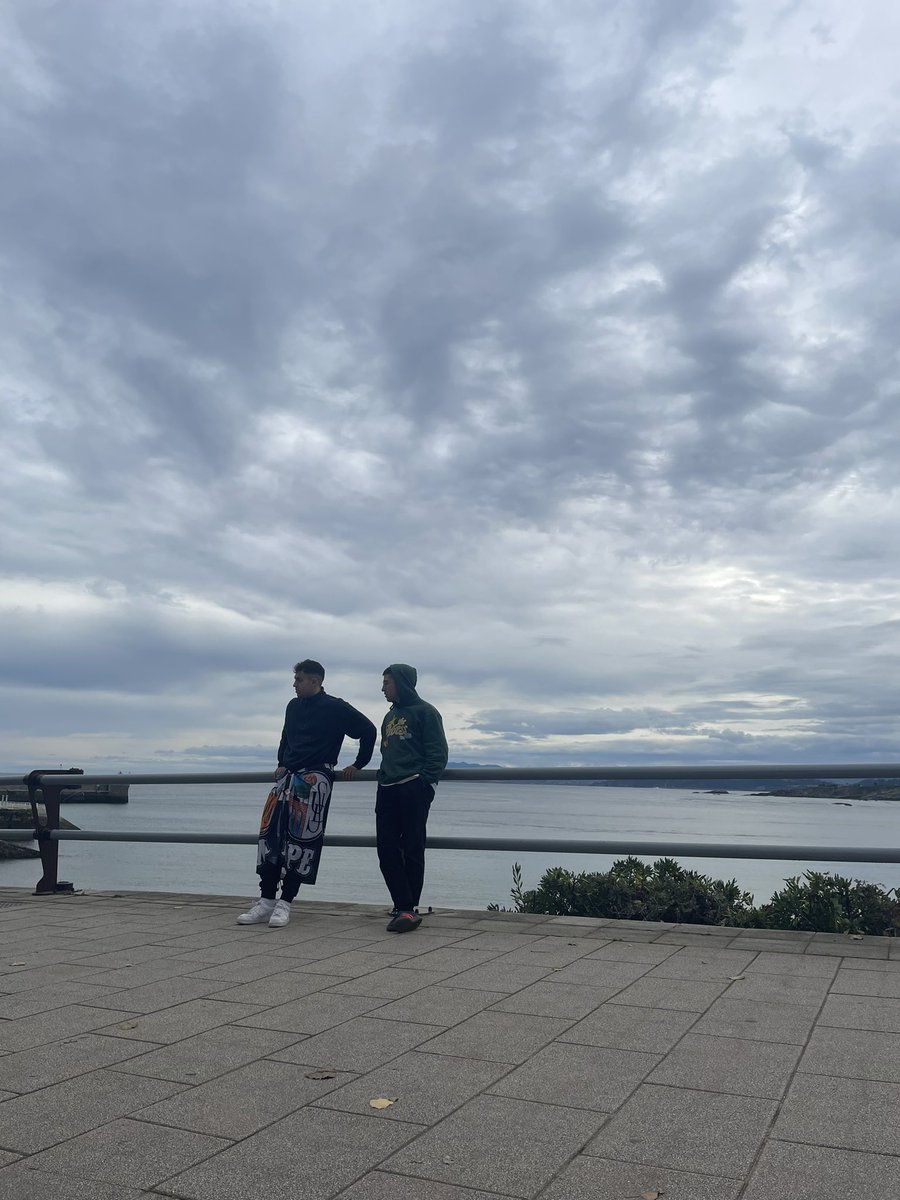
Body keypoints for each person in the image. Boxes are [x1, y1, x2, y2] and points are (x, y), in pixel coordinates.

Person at [238, 659, 376, 928]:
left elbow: (368, 731)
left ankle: (285, 902)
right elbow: (285, 737)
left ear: (315, 681)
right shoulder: (292, 706)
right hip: (287, 777)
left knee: (302, 841)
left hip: (314, 778)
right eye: (295, 679)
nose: (294, 684)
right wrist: (281, 761)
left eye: (299, 680)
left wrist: (358, 764)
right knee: (269, 836)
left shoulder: (336, 707)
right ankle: (266, 901)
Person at [376, 663, 448, 932]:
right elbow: (387, 751)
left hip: (413, 787)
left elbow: (438, 752)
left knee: (413, 847)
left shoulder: (426, 712)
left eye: (387, 682)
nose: (383, 688)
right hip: (387, 787)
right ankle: (402, 904)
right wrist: (383, 774)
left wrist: (424, 784)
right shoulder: (389, 717)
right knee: (386, 848)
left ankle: (408, 908)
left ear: (402, 682)